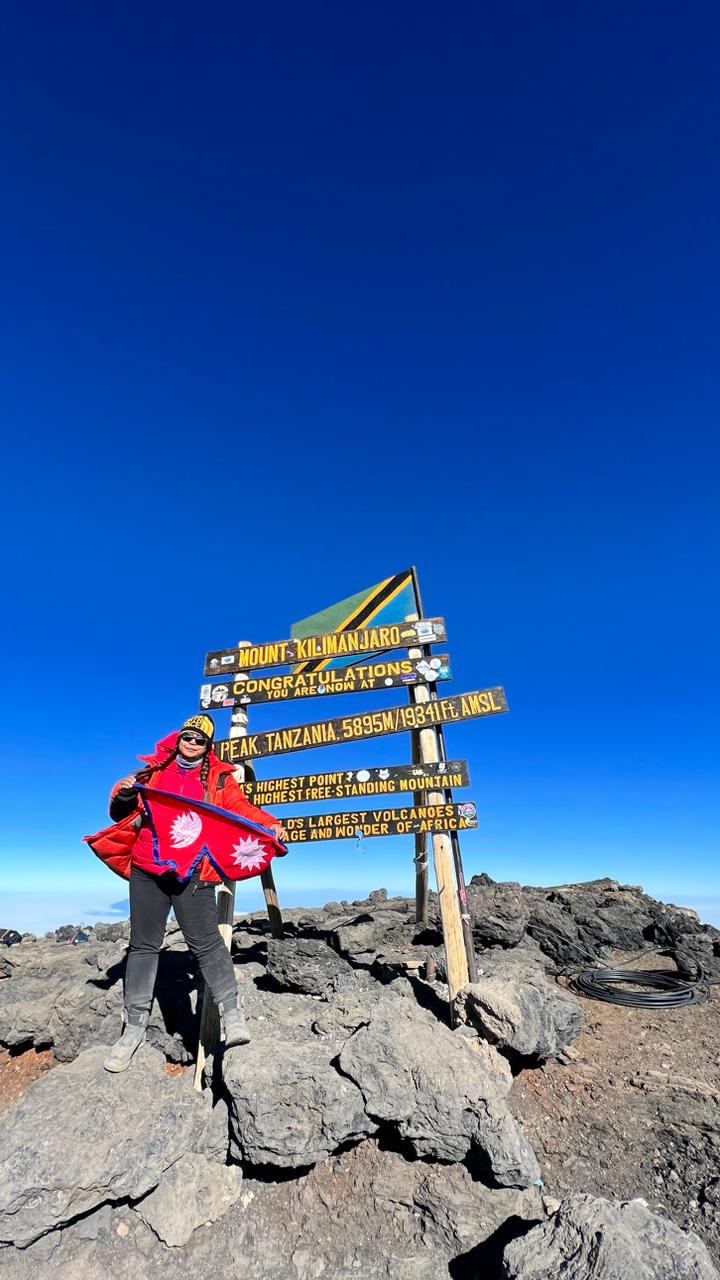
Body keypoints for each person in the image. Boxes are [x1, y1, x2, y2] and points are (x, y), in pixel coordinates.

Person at [101, 715, 286, 1073]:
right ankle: (133, 1029)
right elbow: (121, 811)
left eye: (200, 740)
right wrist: (121, 792)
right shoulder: (152, 773)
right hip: (147, 868)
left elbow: (241, 810)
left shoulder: (218, 779)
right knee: (142, 946)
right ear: (178, 738)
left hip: (196, 871)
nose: (192, 743)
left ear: (208, 747)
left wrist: (270, 824)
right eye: (188, 736)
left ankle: (231, 1016)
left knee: (206, 943)